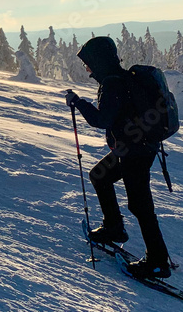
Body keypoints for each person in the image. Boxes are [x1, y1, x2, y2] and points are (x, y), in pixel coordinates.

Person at [65, 35, 172, 279]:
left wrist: (78, 103)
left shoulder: (113, 83)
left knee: (140, 205)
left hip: (136, 151)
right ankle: (114, 228)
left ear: (98, 60)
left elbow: (101, 119)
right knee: (99, 176)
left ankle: (158, 263)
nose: (87, 67)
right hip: (134, 148)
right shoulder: (119, 78)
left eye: (88, 62)